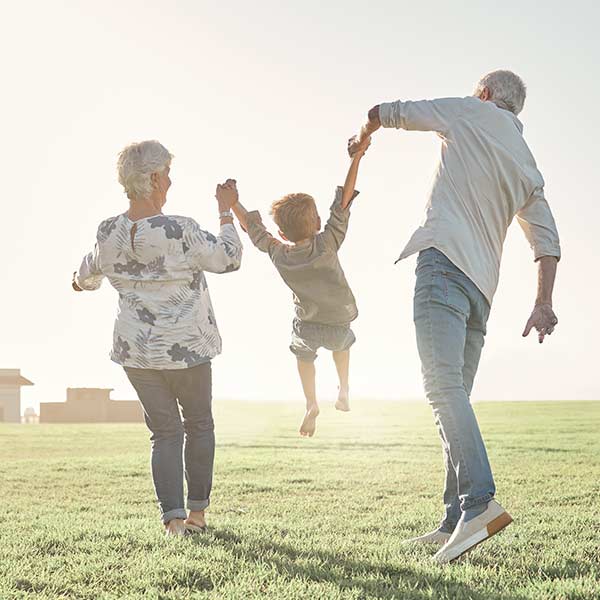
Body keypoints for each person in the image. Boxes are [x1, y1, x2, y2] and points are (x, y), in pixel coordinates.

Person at [349, 70, 561, 563]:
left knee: (442, 391)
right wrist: (543, 302)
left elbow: (389, 111)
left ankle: (479, 503)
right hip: (482, 291)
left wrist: (362, 140)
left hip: (443, 264)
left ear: (485, 94)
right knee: (454, 397)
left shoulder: (470, 111)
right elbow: (546, 241)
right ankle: (453, 521)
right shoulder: (527, 163)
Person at [72, 140, 243, 536]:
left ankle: (173, 523)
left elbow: (88, 272)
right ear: (152, 178)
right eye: (166, 173)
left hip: (137, 355)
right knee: (198, 425)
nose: (170, 180)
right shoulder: (179, 229)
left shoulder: (108, 230)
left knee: (164, 432)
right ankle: (197, 516)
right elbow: (228, 259)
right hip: (188, 351)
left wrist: (79, 284)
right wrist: (225, 211)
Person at [228, 136, 371, 437]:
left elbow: (254, 230)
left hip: (307, 323)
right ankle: (343, 389)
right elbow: (343, 202)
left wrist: (232, 204)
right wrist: (355, 158)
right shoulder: (327, 243)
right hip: (338, 318)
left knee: (303, 357)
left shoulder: (280, 253)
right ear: (318, 221)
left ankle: (311, 403)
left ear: (281, 232)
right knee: (342, 347)